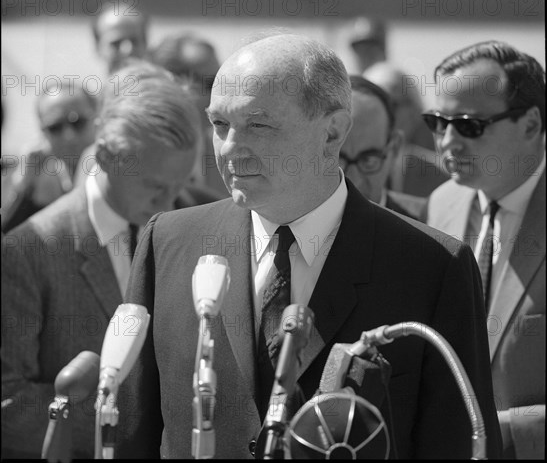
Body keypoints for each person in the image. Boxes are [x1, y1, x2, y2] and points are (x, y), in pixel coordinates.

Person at [116, 33, 501, 459]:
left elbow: (456, 443)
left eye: (257, 125)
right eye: (220, 124)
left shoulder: (431, 268)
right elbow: (135, 431)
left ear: (332, 132)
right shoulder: (168, 243)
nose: (230, 150)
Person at [1, 62, 201, 459]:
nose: (169, 204)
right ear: (107, 157)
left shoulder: (194, 218)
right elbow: (8, 403)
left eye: (179, 186)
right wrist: (128, 428)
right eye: (155, 188)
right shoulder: (29, 250)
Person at [426, 41, 545, 460]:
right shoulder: (442, 203)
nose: (449, 142)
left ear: (531, 124)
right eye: (439, 123)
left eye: (469, 125)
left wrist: (508, 429)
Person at [1, 82, 98, 233]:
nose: (69, 136)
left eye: (78, 123)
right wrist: (23, 186)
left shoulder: (116, 170)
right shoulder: (34, 177)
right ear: (43, 132)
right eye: (55, 127)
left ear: (97, 120)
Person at [150, 33, 226, 196]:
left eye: (224, 81)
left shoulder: (226, 147)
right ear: (174, 83)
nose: (223, 93)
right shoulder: (134, 152)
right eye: (212, 82)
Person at [341, 75, 426, 220]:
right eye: (337, 159)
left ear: (394, 149)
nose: (353, 180)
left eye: (368, 160)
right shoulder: (291, 226)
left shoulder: (431, 229)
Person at [365, 61, 450, 198]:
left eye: (391, 105)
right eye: (369, 106)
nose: (379, 114)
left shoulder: (442, 178)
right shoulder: (337, 171)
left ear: (413, 111)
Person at [92, 0, 149, 75]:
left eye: (134, 41)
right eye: (116, 43)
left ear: (145, 44)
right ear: (98, 47)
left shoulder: (164, 85)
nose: (127, 50)